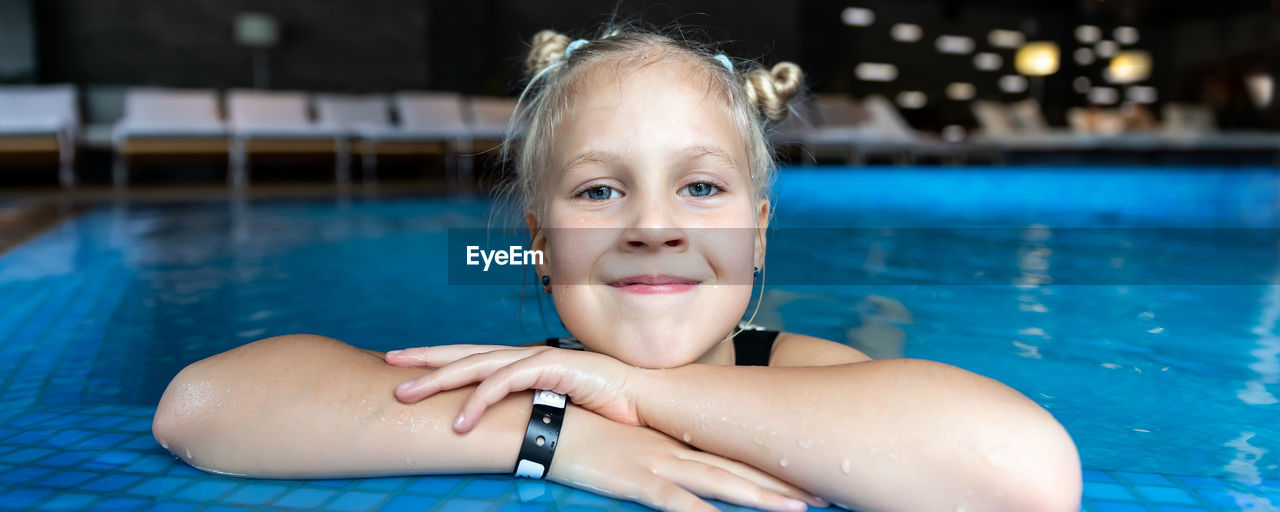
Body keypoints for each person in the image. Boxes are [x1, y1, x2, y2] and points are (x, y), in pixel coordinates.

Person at [153, 25, 1082, 512]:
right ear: (539, 239)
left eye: (701, 190)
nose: (652, 226)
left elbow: (1023, 479)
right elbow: (201, 406)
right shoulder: (521, 387)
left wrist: (637, 395)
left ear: (758, 234)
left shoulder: (806, 376)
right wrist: (560, 432)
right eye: (599, 193)